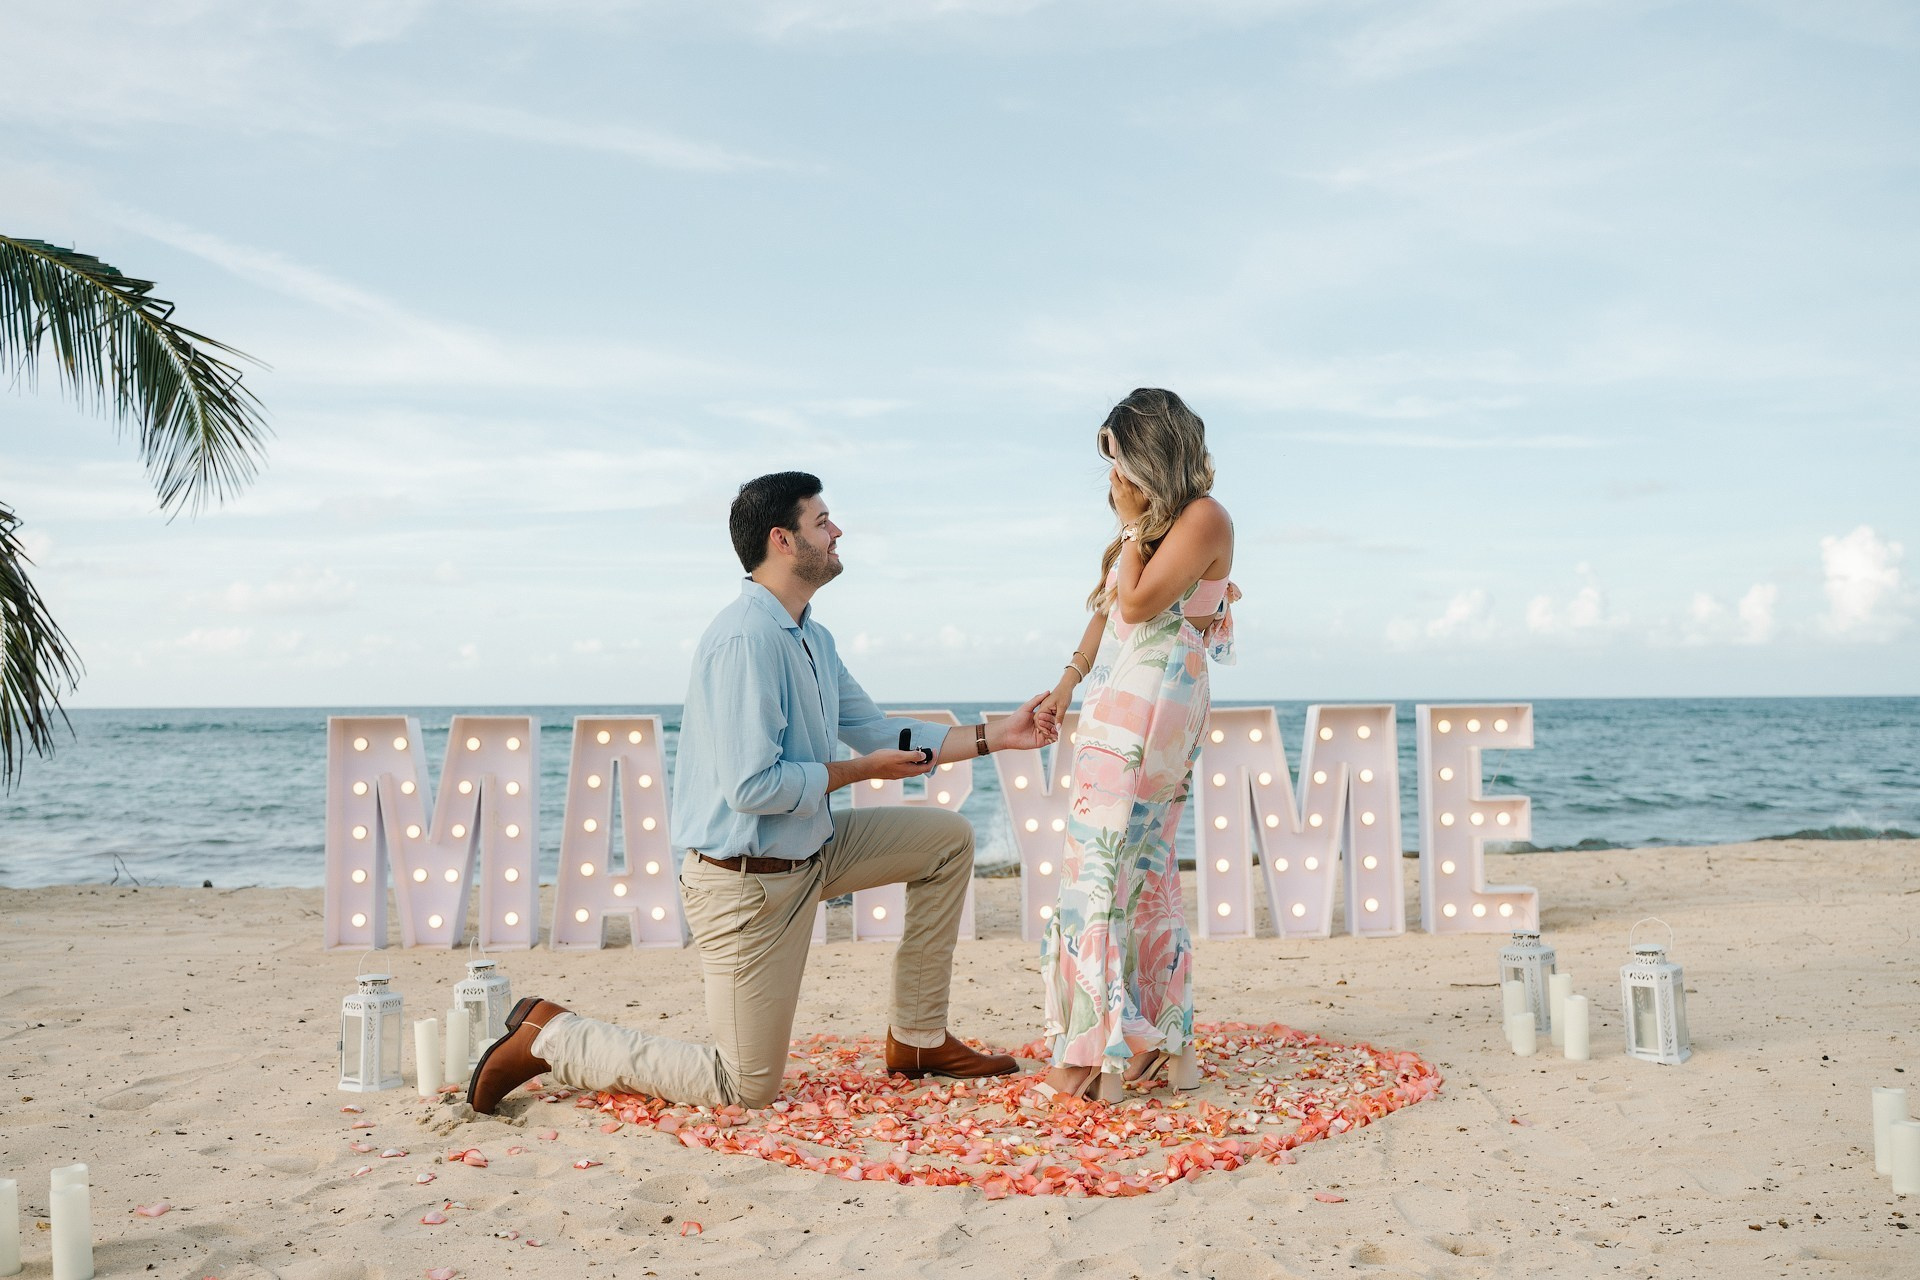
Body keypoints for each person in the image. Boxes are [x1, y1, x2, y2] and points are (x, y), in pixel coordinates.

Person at [469, 471, 1058, 1114]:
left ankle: (917, 1040)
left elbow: (880, 731)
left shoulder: (811, 635)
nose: (837, 531)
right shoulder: (744, 639)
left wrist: (1000, 734)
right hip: (745, 885)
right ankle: (552, 1035)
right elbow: (753, 787)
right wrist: (862, 774)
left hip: (813, 852)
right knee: (744, 1086)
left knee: (947, 841)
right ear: (783, 540)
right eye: (822, 521)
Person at [1031, 389, 1237, 1101]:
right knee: (1133, 872)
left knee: (1104, 866)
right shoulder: (1153, 528)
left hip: (1152, 704)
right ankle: (1155, 1046)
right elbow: (1104, 621)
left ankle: (1090, 1055)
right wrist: (1063, 687)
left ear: (1147, 452)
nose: (1112, 479)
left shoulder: (1203, 518)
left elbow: (1139, 605)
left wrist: (1127, 531)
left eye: (1117, 460)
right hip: (1124, 695)